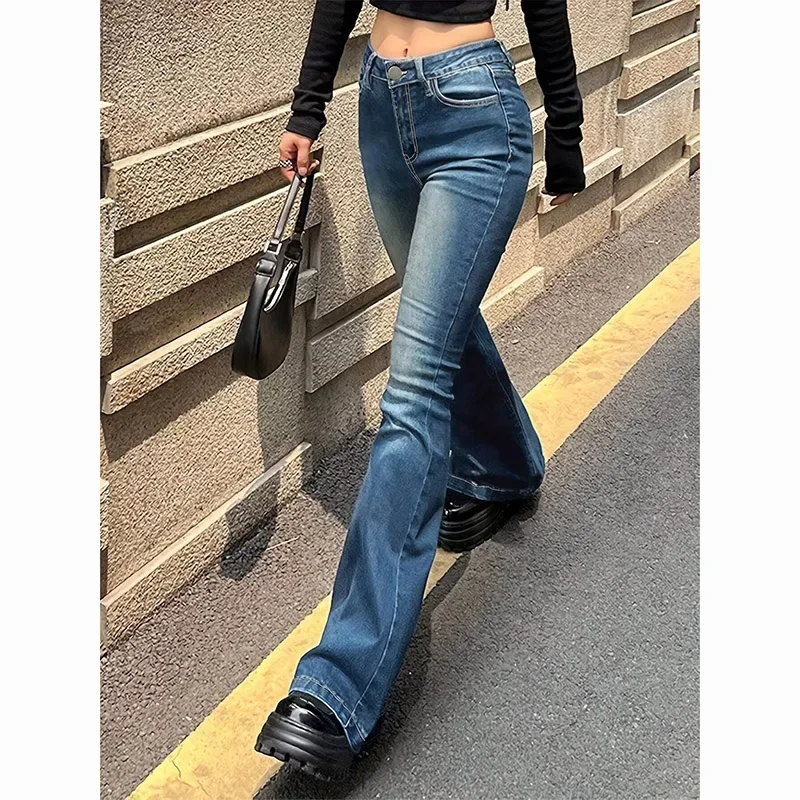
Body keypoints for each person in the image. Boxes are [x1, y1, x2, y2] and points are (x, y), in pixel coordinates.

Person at [256, 0, 585, 779]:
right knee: (443, 329)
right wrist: (308, 106)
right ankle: (506, 466)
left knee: (412, 394)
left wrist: (567, 139)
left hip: (473, 116)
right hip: (380, 102)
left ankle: (338, 687)